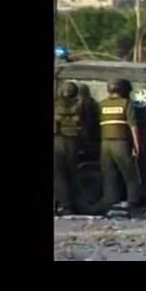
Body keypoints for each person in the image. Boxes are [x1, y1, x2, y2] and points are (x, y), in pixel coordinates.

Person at [99, 78, 144, 216]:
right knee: (130, 175)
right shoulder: (126, 104)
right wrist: (137, 146)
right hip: (121, 144)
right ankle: (133, 204)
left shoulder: (102, 104)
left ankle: (110, 202)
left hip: (105, 144)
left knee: (108, 175)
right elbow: (133, 126)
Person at [54, 82, 84, 215]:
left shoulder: (56, 104)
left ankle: (63, 204)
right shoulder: (80, 105)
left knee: (59, 175)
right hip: (73, 142)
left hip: (58, 140)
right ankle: (74, 204)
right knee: (72, 173)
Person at [77, 83, 100, 162]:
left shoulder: (84, 103)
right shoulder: (94, 102)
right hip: (94, 134)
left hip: (87, 134)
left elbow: (85, 119)